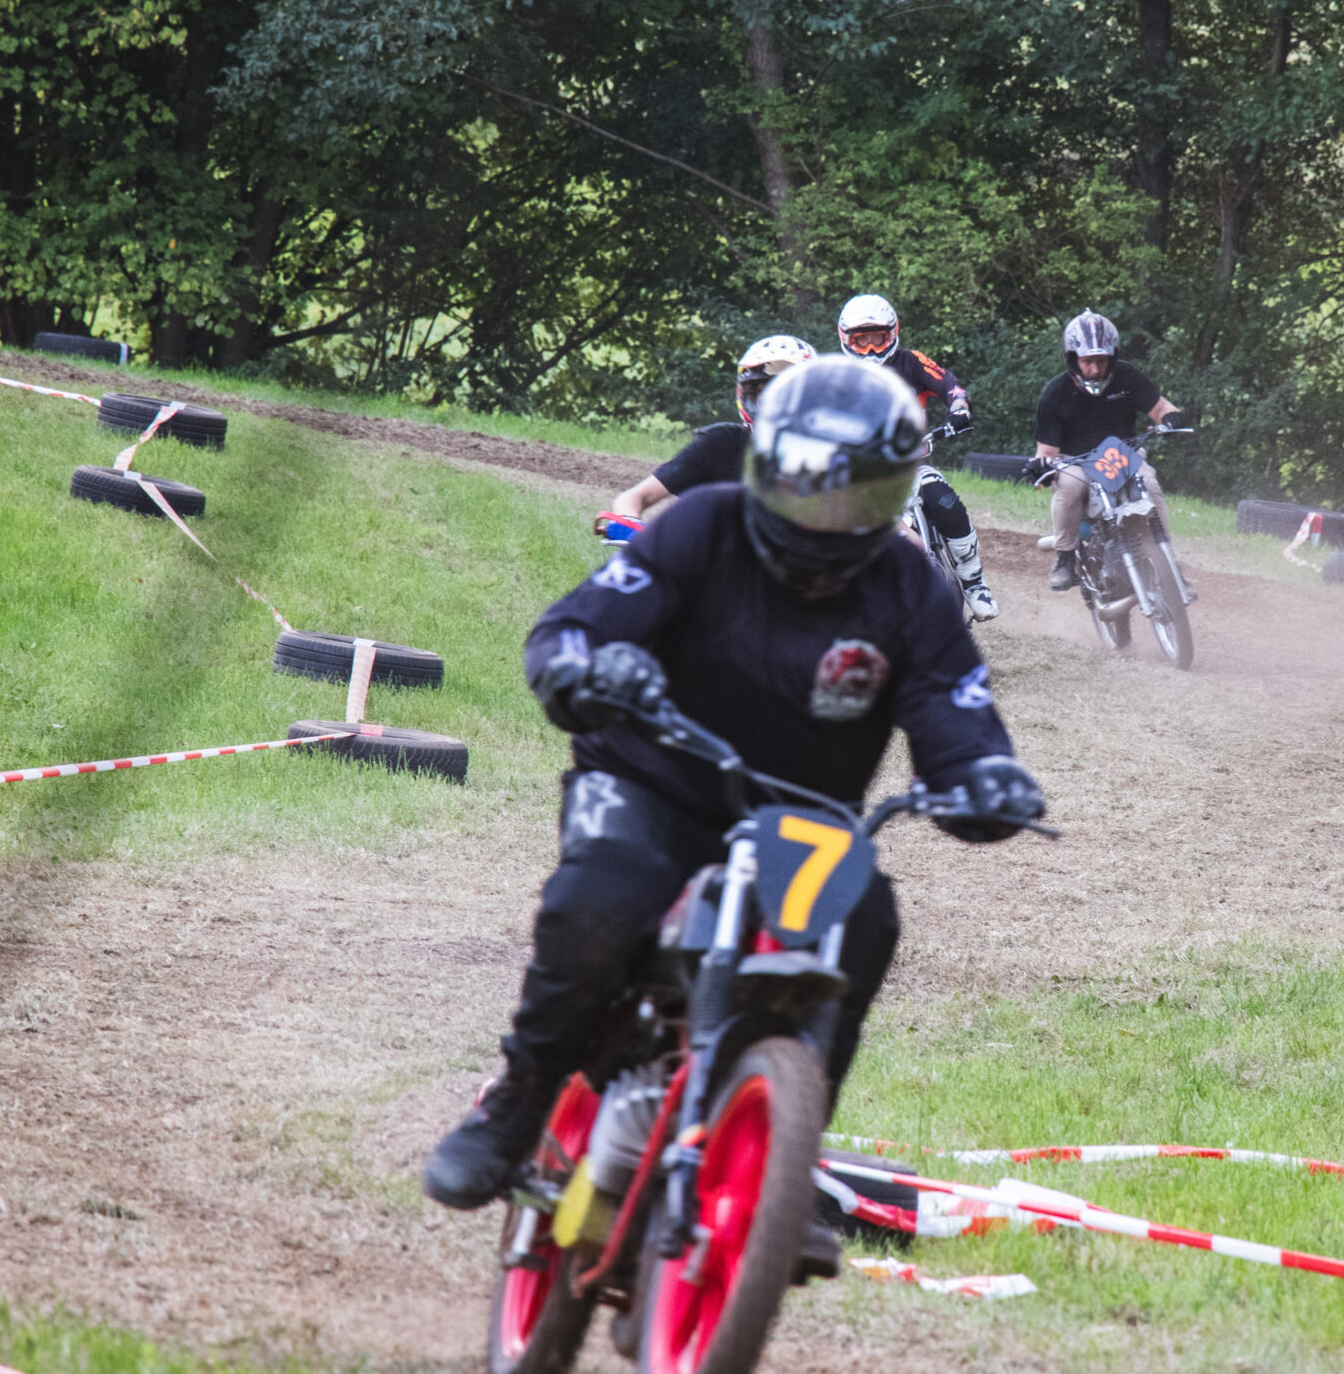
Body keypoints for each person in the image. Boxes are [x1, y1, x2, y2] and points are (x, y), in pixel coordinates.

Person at [422, 358, 1047, 1248]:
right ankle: (517, 1104)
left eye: (862, 493)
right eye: (815, 486)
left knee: (867, 922)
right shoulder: (701, 526)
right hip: (652, 781)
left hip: (799, 818)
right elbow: (576, 626)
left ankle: (782, 1157)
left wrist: (984, 774)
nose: (833, 514)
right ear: (772, 467)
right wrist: (584, 667)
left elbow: (954, 703)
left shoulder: (912, 586)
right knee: (601, 901)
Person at [834, 293, 997, 621]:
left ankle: (974, 582)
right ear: (847, 340)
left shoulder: (910, 362)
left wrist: (959, 407)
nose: (870, 349)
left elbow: (950, 385)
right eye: (862, 341)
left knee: (944, 500)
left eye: (877, 339)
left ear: (892, 334)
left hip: (912, 465)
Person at [1023, 310, 1185, 593]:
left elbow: (1161, 408)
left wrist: (1171, 419)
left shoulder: (1128, 377)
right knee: (1070, 486)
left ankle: (1167, 562)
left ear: (1112, 356)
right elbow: (1046, 452)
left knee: (1149, 483)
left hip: (1121, 455)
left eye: (1101, 360)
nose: (1095, 369)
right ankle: (1065, 559)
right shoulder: (1055, 394)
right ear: (1073, 358)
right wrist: (1041, 466)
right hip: (1074, 462)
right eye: (1087, 361)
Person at [600, 335, 814, 538]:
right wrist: (627, 523)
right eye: (761, 395)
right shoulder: (720, 445)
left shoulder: (826, 456)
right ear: (744, 394)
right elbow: (634, 497)